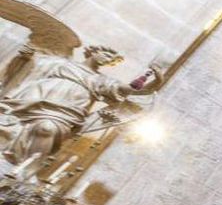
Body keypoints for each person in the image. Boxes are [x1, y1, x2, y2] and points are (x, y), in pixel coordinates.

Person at [0, 44, 160, 172]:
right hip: (34, 98)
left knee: (46, 129)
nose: (108, 59)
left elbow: (133, 89)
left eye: (111, 59)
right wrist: (24, 56)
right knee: (9, 123)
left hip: (66, 110)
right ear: (93, 51)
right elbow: (30, 66)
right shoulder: (62, 63)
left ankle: (27, 170)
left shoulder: (101, 80)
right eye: (107, 54)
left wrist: (157, 79)